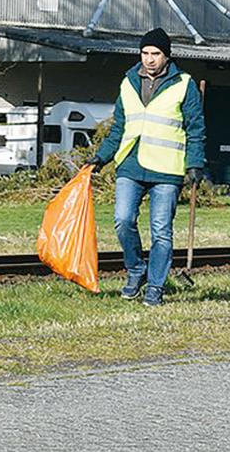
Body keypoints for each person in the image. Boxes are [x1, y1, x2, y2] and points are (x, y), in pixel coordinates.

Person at [85, 28, 206, 306]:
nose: (149, 59)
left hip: (167, 169)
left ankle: (155, 286)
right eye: (145, 53)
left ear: (167, 56)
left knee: (161, 230)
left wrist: (195, 163)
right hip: (129, 164)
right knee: (123, 220)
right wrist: (101, 158)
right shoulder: (128, 82)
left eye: (156, 54)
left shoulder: (183, 84)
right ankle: (136, 270)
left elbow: (195, 129)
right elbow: (118, 128)